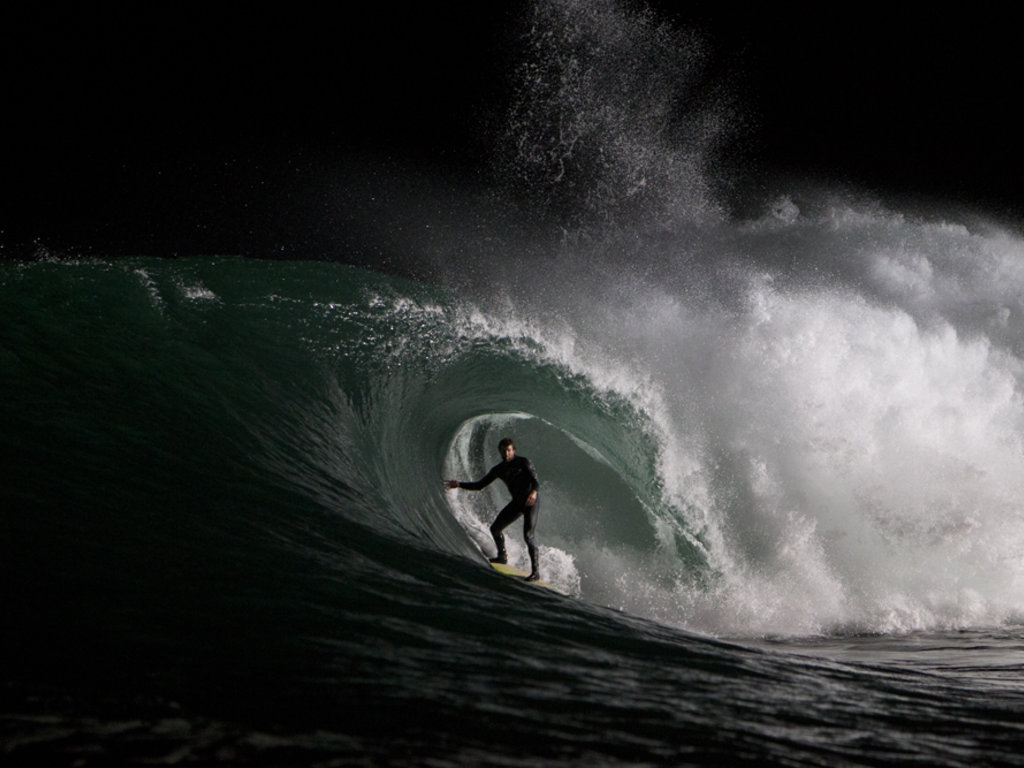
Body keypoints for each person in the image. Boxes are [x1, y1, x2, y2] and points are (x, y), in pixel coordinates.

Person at [445, 437, 541, 581]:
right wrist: (459, 484)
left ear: (513, 450)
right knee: (495, 528)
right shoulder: (499, 469)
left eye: (509, 450)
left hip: (531, 502)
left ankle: (535, 572)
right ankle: (502, 557)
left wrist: (533, 493)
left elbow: (535, 481)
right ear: (500, 452)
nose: (506, 453)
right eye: (504, 451)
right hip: (517, 503)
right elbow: (479, 485)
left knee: (528, 536)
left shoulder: (523, 462)